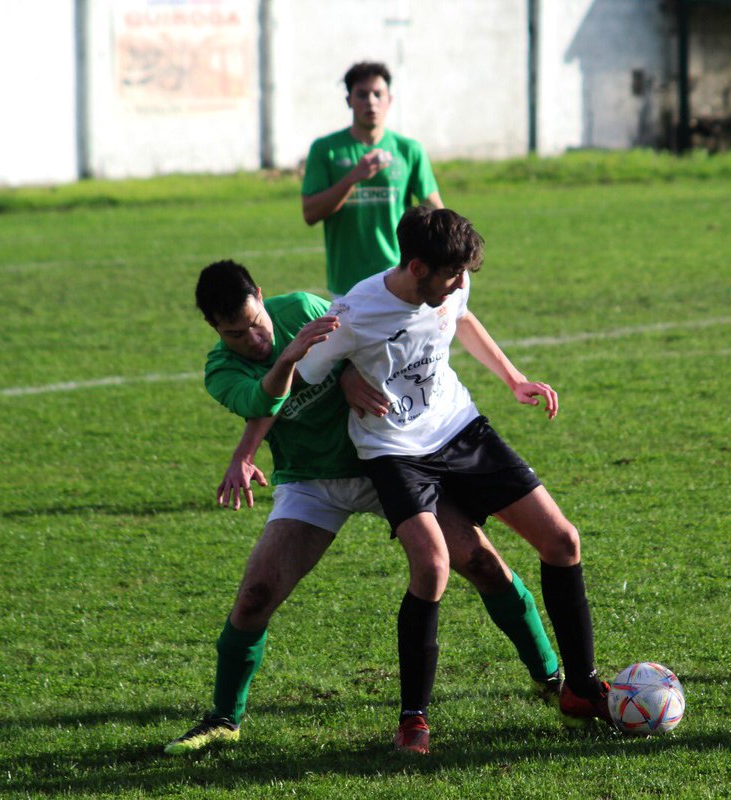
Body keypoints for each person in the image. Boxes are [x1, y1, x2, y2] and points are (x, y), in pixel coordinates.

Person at [164, 260, 562, 755]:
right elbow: (261, 402)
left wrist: (349, 376)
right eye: (236, 333)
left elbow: (362, 344)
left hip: (383, 463)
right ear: (213, 329)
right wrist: (281, 370)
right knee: (256, 595)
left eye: (255, 323)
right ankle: (224, 717)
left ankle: (550, 676)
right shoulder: (220, 369)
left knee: (481, 561)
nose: (253, 340)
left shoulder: (305, 308)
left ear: (262, 297)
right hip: (311, 483)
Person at [295, 206, 610, 755]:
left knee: (563, 540)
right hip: (395, 453)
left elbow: (461, 317)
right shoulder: (356, 311)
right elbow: (306, 372)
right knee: (434, 565)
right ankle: (413, 719)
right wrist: (346, 376)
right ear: (416, 267)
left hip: (460, 429)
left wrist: (513, 378)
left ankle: (581, 689)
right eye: (452, 275)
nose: (462, 284)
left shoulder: (449, 287)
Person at [302, 61, 442, 298]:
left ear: (390, 99)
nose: (371, 101)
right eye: (362, 94)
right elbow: (310, 214)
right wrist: (352, 178)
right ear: (349, 100)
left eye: (378, 94)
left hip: (399, 276)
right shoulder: (326, 149)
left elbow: (435, 210)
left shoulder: (409, 150)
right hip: (347, 284)